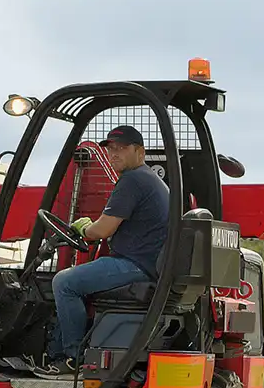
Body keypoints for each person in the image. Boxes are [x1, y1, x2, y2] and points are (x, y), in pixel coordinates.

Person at [40, 125, 170, 375]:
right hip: (147, 264)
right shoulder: (151, 180)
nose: (114, 155)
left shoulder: (133, 180)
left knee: (64, 283)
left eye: (121, 149)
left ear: (139, 152)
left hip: (135, 265)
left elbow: (102, 231)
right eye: (111, 150)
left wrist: (84, 229)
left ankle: (72, 357)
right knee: (75, 282)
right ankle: (61, 352)